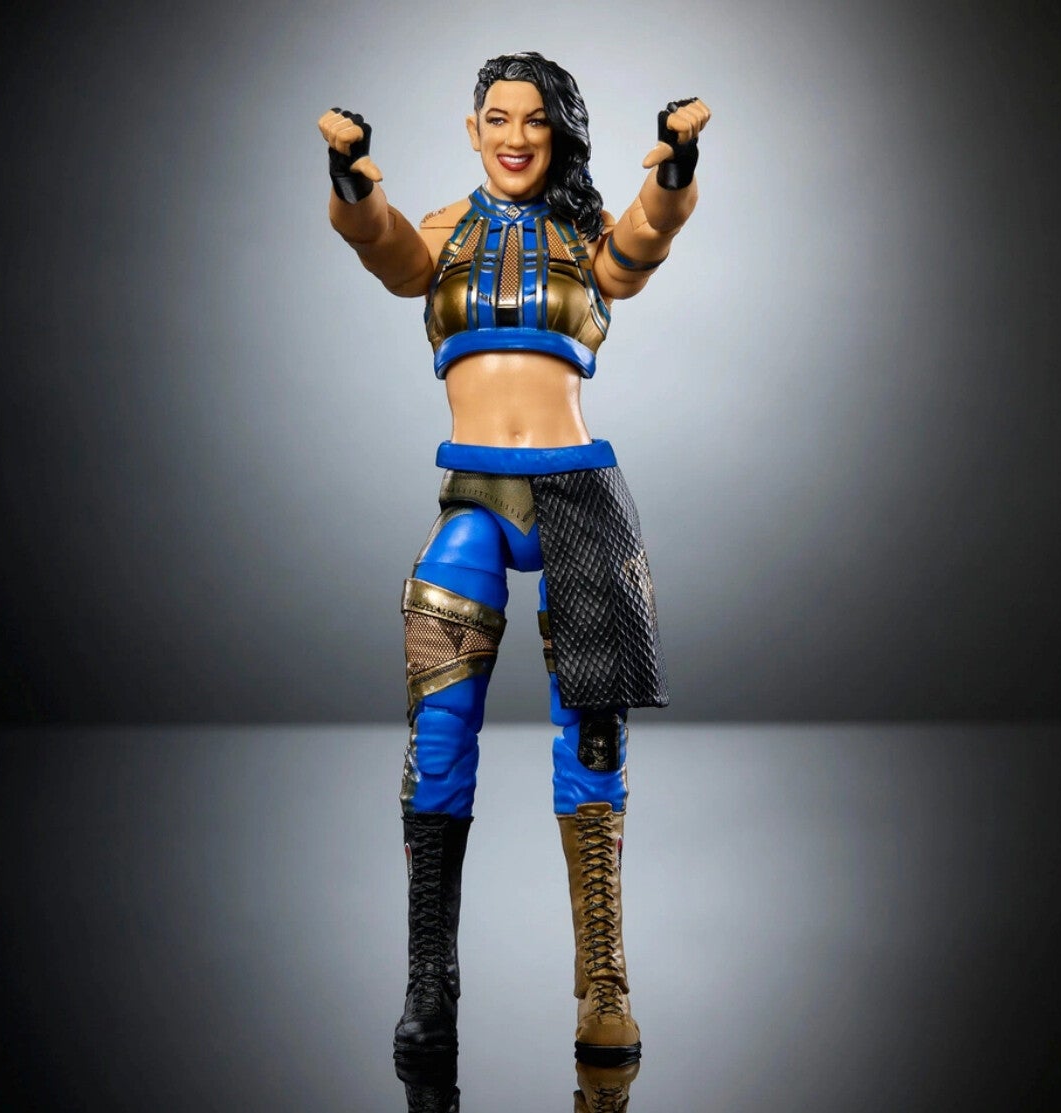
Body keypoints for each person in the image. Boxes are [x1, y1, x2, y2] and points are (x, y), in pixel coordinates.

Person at [318, 52, 709, 1070]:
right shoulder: (447, 230)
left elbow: (643, 240)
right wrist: (352, 181)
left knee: (593, 735)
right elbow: (387, 249)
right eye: (499, 117)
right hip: (475, 494)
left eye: (536, 119)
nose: (517, 136)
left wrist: (674, 165)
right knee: (439, 724)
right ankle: (429, 979)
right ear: (473, 128)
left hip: (578, 490)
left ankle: (604, 980)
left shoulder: (583, 231)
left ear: (558, 131)